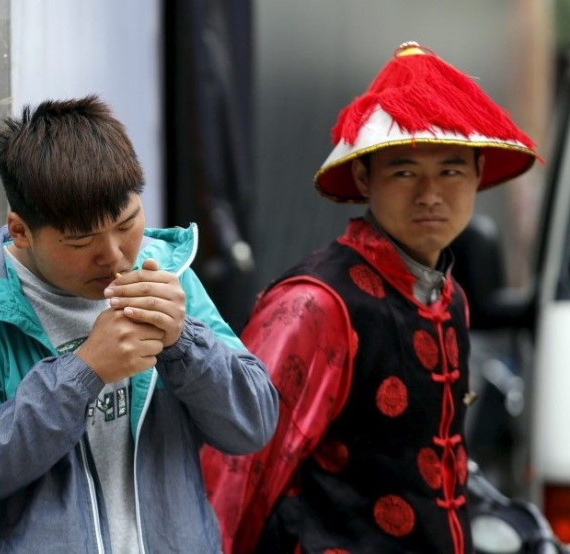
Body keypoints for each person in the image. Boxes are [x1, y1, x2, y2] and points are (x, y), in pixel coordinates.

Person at [200, 42, 540, 554]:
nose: (430, 193)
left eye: (450, 169)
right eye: (404, 171)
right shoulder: (314, 305)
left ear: (477, 174)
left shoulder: (451, 299)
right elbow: (236, 470)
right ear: (364, 177)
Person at [0, 95, 278, 553]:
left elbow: (253, 426)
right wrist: (83, 372)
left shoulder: (166, 273)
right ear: (21, 230)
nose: (115, 254)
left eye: (126, 223)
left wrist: (184, 343)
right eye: (81, 240)